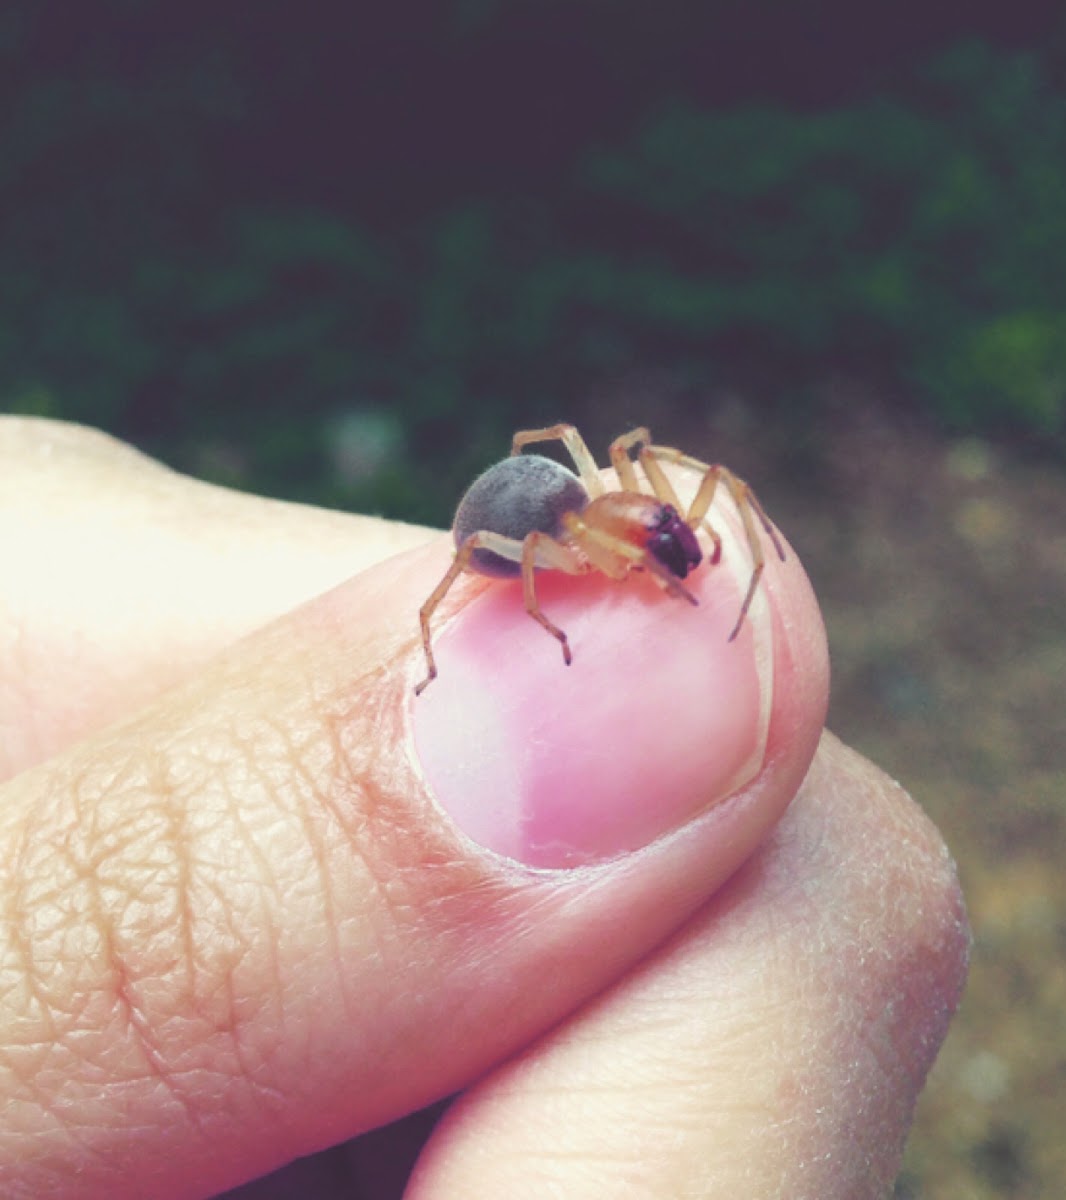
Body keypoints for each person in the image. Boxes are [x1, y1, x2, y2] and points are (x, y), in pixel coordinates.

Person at [0, 417, 968, 1199]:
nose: (667, 550)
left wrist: (721, 555)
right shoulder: (570, 531)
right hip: (506, 530)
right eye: (660, 546)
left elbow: (635, 467)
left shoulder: (626, 495)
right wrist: (541, 626)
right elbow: (475, 565)